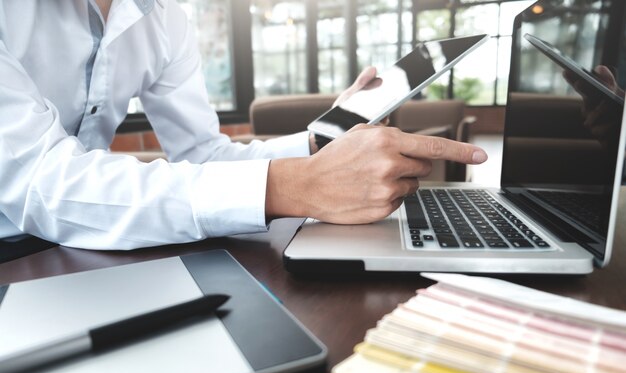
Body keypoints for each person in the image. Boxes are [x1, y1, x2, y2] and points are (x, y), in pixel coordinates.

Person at [0, 0, 488, 250]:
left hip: (100, 244)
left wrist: (323, 139)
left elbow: (204, 156)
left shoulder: (164, 17)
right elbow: (39, 183)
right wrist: (296, 185)